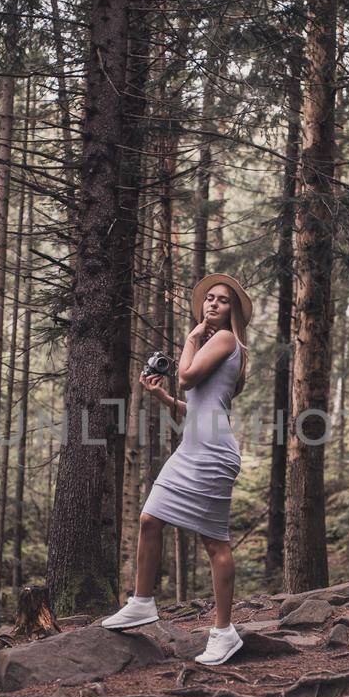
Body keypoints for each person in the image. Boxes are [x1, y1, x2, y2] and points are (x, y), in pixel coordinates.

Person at [102, 273, 252, 665]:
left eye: (222, 300)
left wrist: (189, 339)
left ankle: (224, 632)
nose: (213, 304)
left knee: (215, 543)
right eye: (209, 299)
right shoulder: (218, 345)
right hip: (194, 448)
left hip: (214, 454)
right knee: (150, 519)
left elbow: (186, 375)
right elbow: (201, 406)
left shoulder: (224, 340)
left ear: (233, 310)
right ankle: (142, 602)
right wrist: (165, 397)